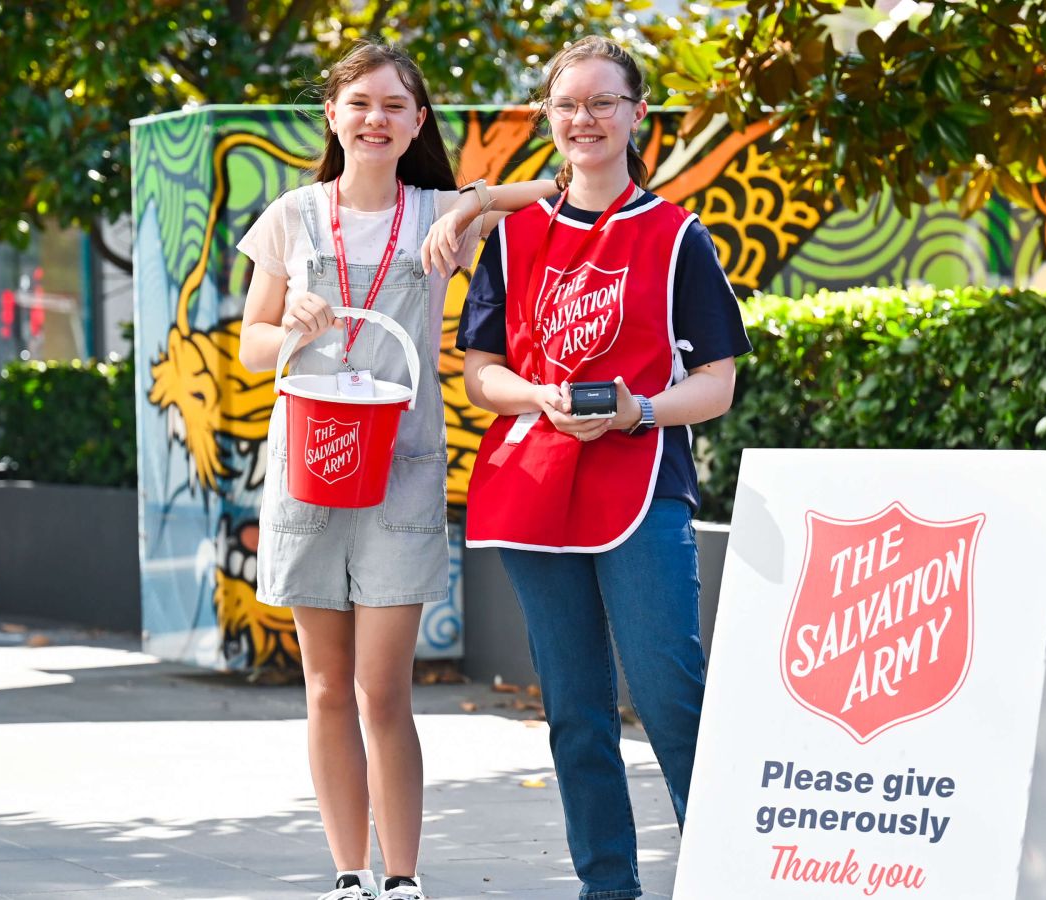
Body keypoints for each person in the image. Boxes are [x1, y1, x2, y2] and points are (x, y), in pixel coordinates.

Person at [235, 40, 559, 900]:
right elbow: (250, 345)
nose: (375, 119)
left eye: (394, 106)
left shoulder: (434, 215)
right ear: (333, 116)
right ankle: (349, 875)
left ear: (418, 123)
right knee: (324, 687)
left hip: (402, 470)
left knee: (384, 690)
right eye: (360, 104)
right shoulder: (291, 217)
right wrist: (293, 324)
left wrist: (472, 204)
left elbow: (553, 193)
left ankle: (403, 878)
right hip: (311, 463)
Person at [451, 36, 752, 900]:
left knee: (670, 696)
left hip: (643, 488)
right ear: (548, 117)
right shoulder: (513, 238)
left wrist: (641, 410)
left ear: (637, 114)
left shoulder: (679, 238)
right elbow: (481, 373)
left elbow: (717, 385)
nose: (583, 119)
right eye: (566, 104)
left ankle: (724, 874)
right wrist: (542, 395)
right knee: (576, 715)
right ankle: (606, 887)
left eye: (601, 102)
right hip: (536, 490)